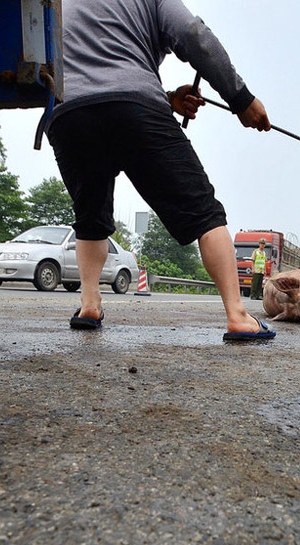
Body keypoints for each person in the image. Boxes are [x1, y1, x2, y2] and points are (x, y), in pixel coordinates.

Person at [48, 0, 275, 340]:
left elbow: (92, 65)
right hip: (136, 109)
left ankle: (89, 305)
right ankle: (238, 315)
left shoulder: (59, 4)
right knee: (205, 214)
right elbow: (193, 35)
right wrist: (240, 99)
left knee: (90, 216)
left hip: (69, 113)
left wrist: (168, 96)